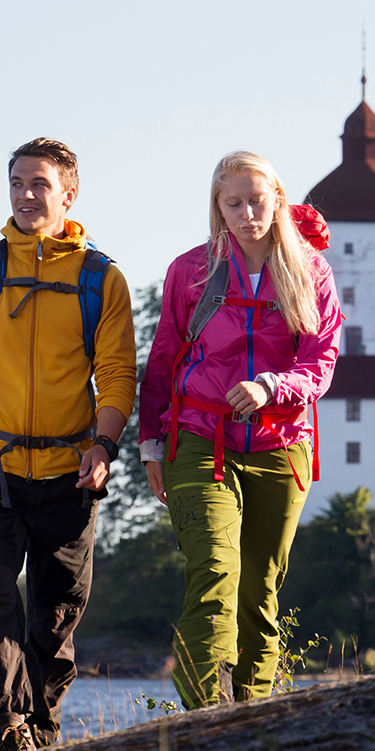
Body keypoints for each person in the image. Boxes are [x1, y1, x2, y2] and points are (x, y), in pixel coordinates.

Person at [0, 138, 136, 751]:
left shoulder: (101, 279)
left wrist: (105, 445)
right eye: (16, 183)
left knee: (56, 614)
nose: (25, 195)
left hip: (73, 473)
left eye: (39, 184)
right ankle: (8, 723)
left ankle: (42, 725)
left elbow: (119, 374)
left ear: (68, 193)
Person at [139, 151, 340, 708]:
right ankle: (204, 714)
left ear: (277, 199)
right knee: (215, 568)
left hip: (282, 444)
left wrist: (273, 386)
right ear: (218, 208)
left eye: (257, 199)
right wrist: (151, 445)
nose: (248, 212)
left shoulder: (310, 271)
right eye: (234, 202)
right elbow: (162, 359)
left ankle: (253, 714)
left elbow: (321, 361)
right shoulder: (191, 271)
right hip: (199, 435)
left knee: (260, 589)